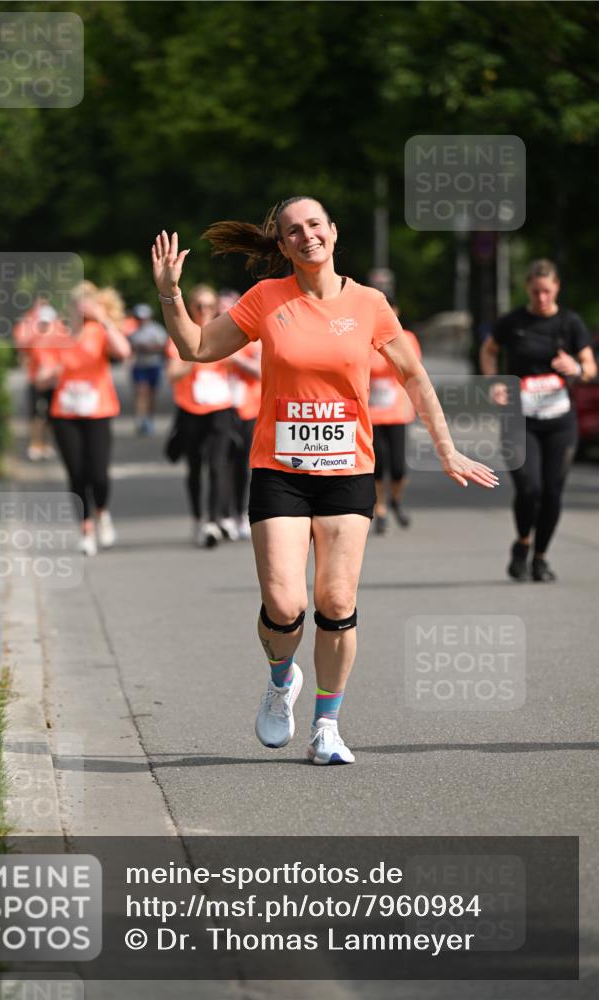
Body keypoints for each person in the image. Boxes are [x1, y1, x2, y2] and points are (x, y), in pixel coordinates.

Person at [151, 197, 498, 765]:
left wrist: (447, 447)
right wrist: (169, 292)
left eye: (315, 225)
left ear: (333, 233)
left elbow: (413, 375)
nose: (307, 235)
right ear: (283, 245)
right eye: (294, 230)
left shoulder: (369, 304)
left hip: (348, 470)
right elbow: (194, 349)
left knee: (336, 600)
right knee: (284, 604)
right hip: (279, 471)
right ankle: (280, 678)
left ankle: (327, 726)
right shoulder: (266, 300)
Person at [479, 258, 596, 582]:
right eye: (535, 292)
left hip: (560, 419)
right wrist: (494, 381)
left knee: (553, 491)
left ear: (556, 288)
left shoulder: (570, 324)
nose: (541, 298)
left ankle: (540, 558)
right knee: (530, 488)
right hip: (520, 418)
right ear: (528, 290)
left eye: (546, 291)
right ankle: (523, 542)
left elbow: (590, 367)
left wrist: (576, 368)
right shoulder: (513, 322)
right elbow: (488, 350)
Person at [35, 281, 132, 556]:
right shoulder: (55, 333)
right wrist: (53, 372)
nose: (83, 308)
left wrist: (104, 321)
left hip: (98, 409)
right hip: (65, 412)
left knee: (98, 474)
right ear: (72, 306)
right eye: (80, 303)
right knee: (77, 473)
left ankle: (102, 512)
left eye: (89, 303)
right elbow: (40, 379)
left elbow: (124, 352)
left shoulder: (98, 332)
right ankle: (86, 529)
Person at [165, 285, 237, 547]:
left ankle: (213, 519)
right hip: (190, 409)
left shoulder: (223, 331)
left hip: (219, 408)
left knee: (217, 465)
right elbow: (173, 374)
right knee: (194, 467)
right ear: (190, 307)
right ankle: (197, 518)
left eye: (209, 306)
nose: (204, 311)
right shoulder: (181, 334)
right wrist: (196, 354)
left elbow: (241, 360)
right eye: (198, 306)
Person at [369, 299, 422, 534]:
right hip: (372, 413)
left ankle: (396, 500)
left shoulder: (407, 338)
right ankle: (380, 510)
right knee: (379, 465)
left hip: (398, 412)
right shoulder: (364, 337)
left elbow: (412, 369)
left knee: (399, 467)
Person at [219, 288, 263, 539]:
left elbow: (260, 371)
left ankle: (240, 513)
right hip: (220, 408)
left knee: (243, 466)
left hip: (249, 410)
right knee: (220, 464)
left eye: (228, 310)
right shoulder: (212, 338)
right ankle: (221, 515)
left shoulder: (252, 338)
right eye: (219, 311)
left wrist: (234, 358)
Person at [13, 299, 65, 461]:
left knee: (51, 416)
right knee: (35, 415)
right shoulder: (32, 336)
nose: (45, 326)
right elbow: (21, 346)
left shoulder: (59, 335)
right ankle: (35, 445)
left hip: (53, 382)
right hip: (35, 380)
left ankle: (47, 445)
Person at [128, 303, 169, 436]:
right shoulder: (133, 331)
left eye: (143, 317)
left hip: (154, 365)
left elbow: (163, 346)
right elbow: (129, 348)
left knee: (151, 394)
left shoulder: (157, 330)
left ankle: (149, 418)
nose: (141, 320)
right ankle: (141, 420)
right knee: (141, 392)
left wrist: (149, 347)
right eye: (139, 318)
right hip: (139, 366)